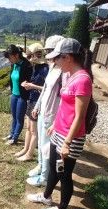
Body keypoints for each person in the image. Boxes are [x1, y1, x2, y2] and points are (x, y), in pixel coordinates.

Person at [27, 38, 93, 209]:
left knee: (64, 174)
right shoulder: (69, 75)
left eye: (57, 58)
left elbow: (79, 116)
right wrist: (56, 124)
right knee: (53, 166)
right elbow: (65, 106)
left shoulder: (83, 80)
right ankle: (47, 197)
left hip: (70, 137)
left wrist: (67, 143)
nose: (54, 62)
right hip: (59, 131)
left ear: (68, 57)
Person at [26, 35, 65, 186]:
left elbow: (63, 100)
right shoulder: (53, 67)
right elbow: (45, 91)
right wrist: (37, 107)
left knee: (47, 148)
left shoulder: (63, 72)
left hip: (52, 116)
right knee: (42, 146)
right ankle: (40, 166)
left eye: (50, 50)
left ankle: (44, 177)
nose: (48, 54)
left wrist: (56, 121)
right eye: (47, 50)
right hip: (43, 111)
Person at [15, 43, 48, 161]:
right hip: (32, 99)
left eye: (29, 56)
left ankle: (29, 154)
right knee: (28, 127)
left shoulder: (45, 68)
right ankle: (25, 149)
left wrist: (32, 86)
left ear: (37, 55)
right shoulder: (35, 67)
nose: (28, 59)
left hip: (38, 101)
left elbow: (47, 88)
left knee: (34, 130)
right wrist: (28, 85)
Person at [2, 44, 33, 145]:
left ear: (16, 55)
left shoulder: (26, 65)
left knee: (19, 118)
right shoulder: (13, 64)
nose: (9, 60)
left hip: (22, 96)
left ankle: (14, 138)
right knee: (14, 116)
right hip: (14, 94)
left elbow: (30, 80)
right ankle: (11, 134)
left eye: (10, 58)